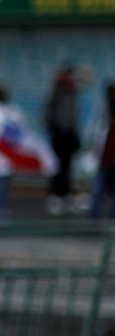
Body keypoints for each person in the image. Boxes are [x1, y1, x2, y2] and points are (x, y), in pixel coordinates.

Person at [0, 83, 57, 224]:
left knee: (3, 181)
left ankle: (0, 208)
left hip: (4, 153)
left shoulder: (7, 110)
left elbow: (19, 130)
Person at [43, 64, 85, 215]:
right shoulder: (56, 93)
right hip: (58, 136)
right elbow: (48, 115)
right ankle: (55, 196)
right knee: (56, 168)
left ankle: (65, 195)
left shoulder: (73, 92)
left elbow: (89, 78)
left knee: (67, 168)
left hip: (70, 136)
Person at [87, 83, 115, 220]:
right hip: (104, 159)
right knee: (97, 190)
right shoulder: (103, 114)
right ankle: (93, 216)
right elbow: (95, 133)